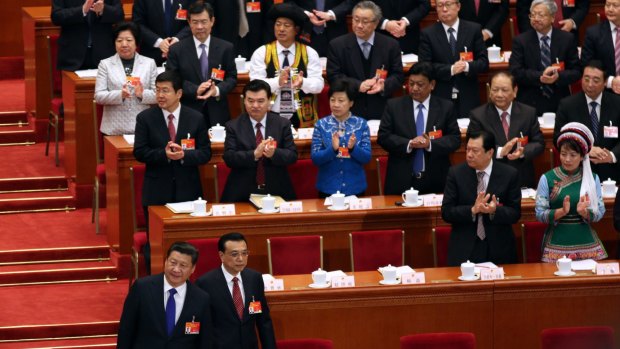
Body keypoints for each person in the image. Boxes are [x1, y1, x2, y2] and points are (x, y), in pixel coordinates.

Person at [133, 71, 212, 273]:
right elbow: (140, 152)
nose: (160, 95)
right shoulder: (145, 118)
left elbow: (205, 154)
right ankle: (156, 283)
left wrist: (183, 156)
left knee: (187, 242)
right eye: (158, 90)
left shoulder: (195, 118)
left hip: (188, 189)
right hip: (156, 190)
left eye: (165, 91)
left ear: (178, 93)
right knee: (157, 243)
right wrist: (165, 155)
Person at [377, 62, 461, 195]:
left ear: (432, 85)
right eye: (411, 83)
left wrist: (430, 144)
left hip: (436, 180)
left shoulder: (446, 107)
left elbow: (455, 139)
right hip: (401, 179)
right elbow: (383, 136)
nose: (414, 88)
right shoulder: (394, 106)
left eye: (420, 84)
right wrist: (409, 144)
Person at [441, 130, 521, 266]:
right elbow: (446, 212)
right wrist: (472, 210)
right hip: (465, 248)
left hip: (499, 248)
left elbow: (515, 213)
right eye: (467, 150)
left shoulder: (509, 174)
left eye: (475, 151)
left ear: (490, 152)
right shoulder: (456, 174)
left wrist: (494, 211)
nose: (469, 155)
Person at [117, 241, 215, 349]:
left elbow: (205, 341)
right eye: (173, 262)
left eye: (183, 265)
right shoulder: (142, 288)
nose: (176, 269)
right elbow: (126, 329)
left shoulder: (201, 298)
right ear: (165, 261)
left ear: (192, 269)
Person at [535, 122, 608, 262]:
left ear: (582, 157)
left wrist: (585, 213)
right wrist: (561, 212)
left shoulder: (592, 178)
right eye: (563, 154)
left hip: (586, 240)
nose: (567, 159)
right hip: (556, 240)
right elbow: (539, 214)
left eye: (573, 155)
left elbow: (600, 212)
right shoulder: (547, 178)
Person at [196, 232, 277, 349]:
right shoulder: (205, 284)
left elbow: (263, 321)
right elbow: (201, 326)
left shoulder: (254, 278)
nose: (241, 259)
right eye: (234, 254)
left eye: (244, 253)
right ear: (221, 255)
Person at [249, 3, 324, 128]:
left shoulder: (309, 53)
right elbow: (254, 85)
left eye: (286, 25)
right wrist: (277, 82)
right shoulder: (262, 52)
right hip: (270, 115)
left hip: (303, 117)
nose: (281, 29)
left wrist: (303, 82)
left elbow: (319, 85)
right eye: (278, 24)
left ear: (296, 30)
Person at [221, 80, 298, 202]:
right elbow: (229, 158)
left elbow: (292, 156)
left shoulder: (282, 124)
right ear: (244, 101)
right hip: (242, 191)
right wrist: (254, 155)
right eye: (250, 101)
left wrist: (274, 153)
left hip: (277, 188)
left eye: (260, 101)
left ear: (269, 101)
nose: (255, 105)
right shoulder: (233, 126)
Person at [326, 0, 404, 120]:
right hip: (350, 110)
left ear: (376, 23)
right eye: (356, 20)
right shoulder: (337, 45)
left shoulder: (390, 45)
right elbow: (333, 76)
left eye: (365, 21)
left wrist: (383, 86)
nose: (359, 25)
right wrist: (358, 85)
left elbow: (398, 76)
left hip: (382, 109)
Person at [166, 1, 237, 129]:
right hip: (188, 112)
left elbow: (232, 78)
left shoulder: (225, 48)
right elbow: (172, 80)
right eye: (195, 22)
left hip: (218, 112)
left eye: (204, 22)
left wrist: (217, 90)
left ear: (212, 21)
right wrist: (195, 89)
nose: (199, 26)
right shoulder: (177, 50)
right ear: (189, 22)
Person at [468, 71, 545, 188]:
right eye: (495, 90)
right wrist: (500, 151)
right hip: (491, 180)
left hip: (522, 178)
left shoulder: (528, 113)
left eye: (504, 90)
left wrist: (523, 151)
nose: (499, 94)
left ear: (515, 91)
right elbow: (474, 148)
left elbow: (539, 142)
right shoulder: (478, 116)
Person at [418, 0, 489, 119]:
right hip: (441, 96)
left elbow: (484, 63)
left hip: (468, 95)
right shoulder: (428, 34)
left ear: (458, 6)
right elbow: (424, 67)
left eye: (448, 4)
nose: (444, 9)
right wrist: (451, 69)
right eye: (440, 5)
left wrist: (466, 66)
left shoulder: (474, 29)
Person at [509, 0, 581, 116]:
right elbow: (515, 71)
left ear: (552, 18)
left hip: (560, 99)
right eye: (533, 15)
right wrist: (540, 77)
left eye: (541, 15)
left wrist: (558, 76)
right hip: (529, 102)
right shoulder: (521, 41)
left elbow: (576, 71)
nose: (536, 18)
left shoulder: (567, 39)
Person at [555, 60, 620, 182]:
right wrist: (586, 149)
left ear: (605, 82)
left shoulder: (617, 103)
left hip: (613, 174)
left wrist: (611, 156)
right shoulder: (567, 105)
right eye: (586, 79)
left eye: (596, 80)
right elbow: (558, 138)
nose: (590, 84)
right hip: (578, 174)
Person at [94, 22, 158, 136]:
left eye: (129, 40)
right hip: (114, 128)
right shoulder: (105, 64)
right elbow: (98, 96)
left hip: (143, 127)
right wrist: (120, 95)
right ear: (114, 43)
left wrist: (142, 94)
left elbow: (158, 95)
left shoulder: (149, 63)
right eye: (119, 41)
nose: (124, 44)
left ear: (136, 42)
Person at [311, 79, 371, 197]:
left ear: (351, 103)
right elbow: (315, 159)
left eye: (341, 100)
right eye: (332, 100)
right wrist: (332, 149)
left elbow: (367, 158)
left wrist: (353, 148)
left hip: (355, 188)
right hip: (328, 188)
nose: (336, 104)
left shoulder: (361, 124)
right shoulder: (321, 125)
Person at [51, 0, 124, 71]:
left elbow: (119, 15)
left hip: (105, 55)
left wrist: (103, 10)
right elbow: (56, 16)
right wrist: (82, 10)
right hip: (72, 56)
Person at [132, 0, 196, 66]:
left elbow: (193, 22)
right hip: (151, 55)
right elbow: (137, 24)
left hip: (182, 53)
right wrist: (159, 42)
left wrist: (177, 39)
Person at [206, 0, 275, 58]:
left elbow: (270, 18)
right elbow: (209, 18)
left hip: (258, 42)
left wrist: (266, 44)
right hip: (226, 42)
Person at [291, 0, 358, 57]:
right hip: (305, 33)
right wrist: (306, 14)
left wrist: (332, 14)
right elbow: (289, 2)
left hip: (336, 32)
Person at [580, 0, 620, 94]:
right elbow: (587, 64)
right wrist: (611, 81)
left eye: (615, 5)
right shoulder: (593, 33)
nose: (610, 9)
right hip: (605, 91)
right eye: (607, 5)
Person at [517, 0, 589, 42]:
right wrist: (530, 36)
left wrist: (572, 21)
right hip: (536, 36)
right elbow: (523, 11)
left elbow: (583, 6)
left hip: (568, 33)